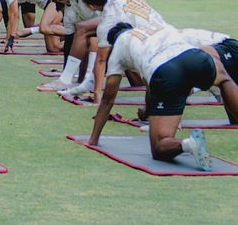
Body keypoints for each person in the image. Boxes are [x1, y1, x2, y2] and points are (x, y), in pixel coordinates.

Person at [88, 23, 238, 171]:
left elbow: (108, 99)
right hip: (195, 56)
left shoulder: (119, 46)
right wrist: (147, 113)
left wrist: (93, 140)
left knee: (160, 147)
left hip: (166, 72)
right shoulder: (154, 27)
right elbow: (150, 89)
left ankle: (188, 144)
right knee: (224, 78)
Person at [67, 0, 202, 97]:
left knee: (165, 86)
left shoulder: (107, 24)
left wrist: (97, 94)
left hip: (155, 49)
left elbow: (101, 60)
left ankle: (197, 84)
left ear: (91, 6)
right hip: (171, 33)